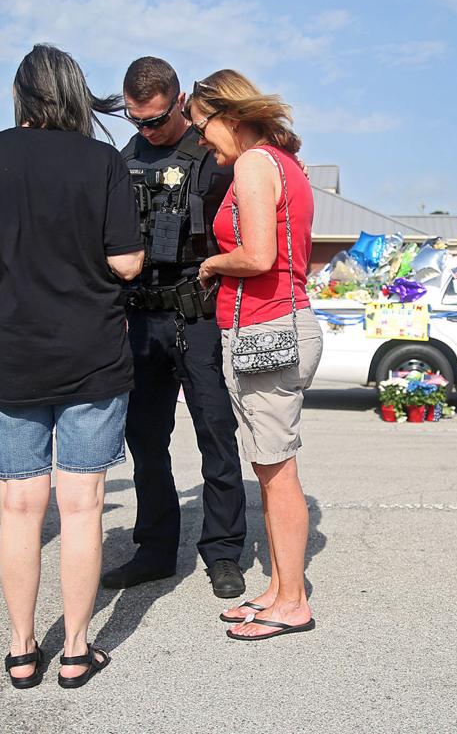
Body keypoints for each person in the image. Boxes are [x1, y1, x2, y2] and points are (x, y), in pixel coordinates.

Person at [0, 44, 143, 689]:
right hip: (91, 351)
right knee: (82, 506)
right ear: (76, 93)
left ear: (21, 95)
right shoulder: (103, 161)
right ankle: (79, 649)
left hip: (11, 352)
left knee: (20, 506)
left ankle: (22, 649)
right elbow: (128, 263)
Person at [100, 57, 247, 599]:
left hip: (196, 313)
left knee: (214, 430)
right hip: (140, 317)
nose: (147, 130)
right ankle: (156, 549)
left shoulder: (214, 155)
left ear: (180, 100)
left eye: (157, 119)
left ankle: (224, 551)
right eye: (136, 120)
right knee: (145, 439)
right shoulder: (124, 159)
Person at [186, 70, 322, 640]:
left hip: (267, 326)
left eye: (203, 126)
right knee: (269, 468)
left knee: (276, 468)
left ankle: (293, 603)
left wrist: (212, 264)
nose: (200, 140)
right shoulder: (283, 164)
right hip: (280, 323)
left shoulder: (252, 164)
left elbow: (260, 254)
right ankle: (279, 588)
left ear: (232, 118)